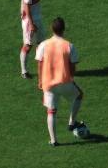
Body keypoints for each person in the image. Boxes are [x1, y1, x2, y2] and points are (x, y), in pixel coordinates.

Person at [35, 17, 88, 146]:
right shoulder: (69, 46)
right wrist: (71, 78)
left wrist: (40, 81)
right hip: (65, 81)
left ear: (51, 29)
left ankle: (53, 140)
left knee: (51, 111)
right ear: (64, 29)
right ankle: (71, 122)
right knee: (79, 95)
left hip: (48, 83)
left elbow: (40, 64)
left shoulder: (43, 45)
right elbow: (73, 66)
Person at [20, 0, 45, 79]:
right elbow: (26, 6)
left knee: (41, 44)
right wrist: (31, 23)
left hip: (37, 18)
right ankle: (24, 71)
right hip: (30, 21)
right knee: (28, 45)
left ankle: (42, 69)